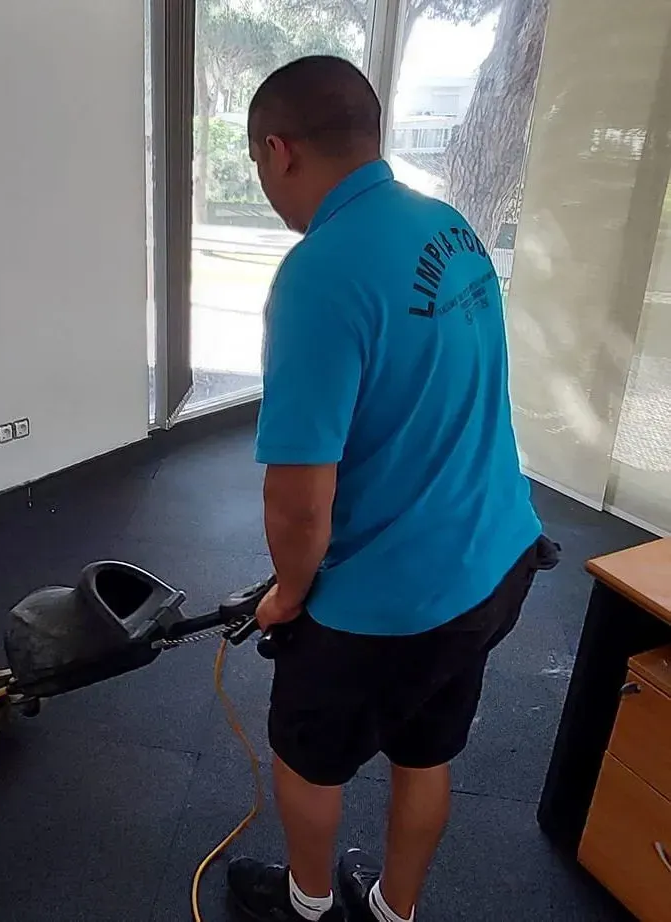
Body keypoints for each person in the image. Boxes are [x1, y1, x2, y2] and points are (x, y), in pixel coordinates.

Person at [226, 56, 545, 922]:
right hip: (496, 564)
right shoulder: (451, 228)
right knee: (425, 750)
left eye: (259, 166)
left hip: (388, 604)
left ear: (279, 150)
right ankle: (396, 914)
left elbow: (296, 500)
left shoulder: (319, 274)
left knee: (310, 758)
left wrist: (290, 597)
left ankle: (308, 904)